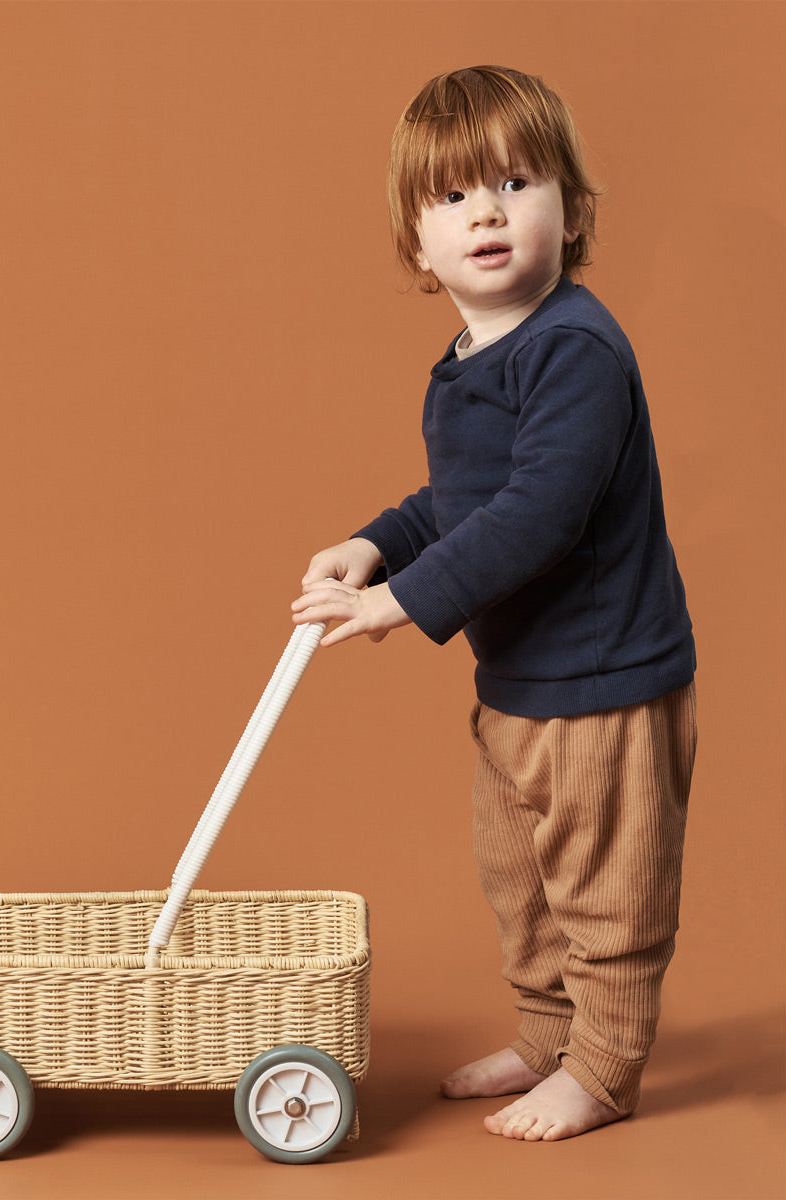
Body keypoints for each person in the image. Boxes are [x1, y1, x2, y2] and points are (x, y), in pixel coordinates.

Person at [291, 65, 696, 1142]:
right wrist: (377, 544)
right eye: (455, 196)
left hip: (600, 686)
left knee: (606, 891)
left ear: (572, 208)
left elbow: (535, 517)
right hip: (517, 685)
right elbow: (462, 499)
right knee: (521, 881)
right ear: (415, 241)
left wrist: (399, 606)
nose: (487, 211)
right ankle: (547, 1035)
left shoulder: (576, 350)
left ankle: (603, 1069)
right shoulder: (471, 359)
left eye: (517, 183)